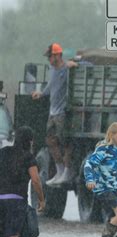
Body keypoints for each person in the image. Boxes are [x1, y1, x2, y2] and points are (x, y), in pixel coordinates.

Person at [0, 126, 45, 237]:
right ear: (30, 141)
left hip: (0, 198)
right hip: (16, 200)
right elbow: (35, 180)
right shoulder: (28, 157)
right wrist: (41, 199)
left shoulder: (4, 152)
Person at [32, 42, 78, 186]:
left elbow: (87, 64)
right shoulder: (52, 70)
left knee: (64, 141)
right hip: (53, 112)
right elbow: (50, 87)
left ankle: (67, 171)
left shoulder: (67, 68)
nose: (49, 59)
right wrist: (41, 93)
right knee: (51, 141)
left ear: (57, 55)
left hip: (62, 113)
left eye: (50, 56)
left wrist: (77, 62)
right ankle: (59, 170)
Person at [84, 122, 117, 237]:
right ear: (112, 135)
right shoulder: (103, 149)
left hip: (113, 188)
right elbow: (89, 164)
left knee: (114, 217)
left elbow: (112, 172)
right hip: (103, 188)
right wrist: (90, 180)